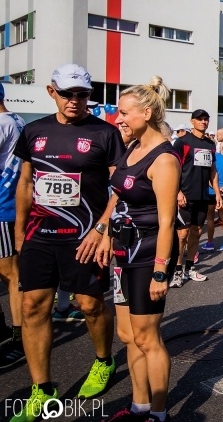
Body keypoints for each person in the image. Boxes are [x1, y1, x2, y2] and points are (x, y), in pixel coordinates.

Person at [12, 64, 125, 420]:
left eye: (82, 94)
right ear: (52, 92)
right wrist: (19, 229)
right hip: (38, 234)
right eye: (67, 93)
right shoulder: (33, 131)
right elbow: (26, 182)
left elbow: (121, 186)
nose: (75, 101)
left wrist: (103, 228)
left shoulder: (104, 133)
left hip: (85, 237)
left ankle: (103, 361)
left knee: (90, 306)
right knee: (32, 307)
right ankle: (41, 389)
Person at [95, 78, 180, 422]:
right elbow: (119, 193)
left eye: (124, 112)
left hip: (149, 253)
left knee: (147, 338)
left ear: (146, 113)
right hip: (123, 251)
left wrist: (161, 271)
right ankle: (139, 406)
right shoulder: (131, 148)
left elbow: (167, 222)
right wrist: (103, 231)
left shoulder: (164, 159)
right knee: (127, 335)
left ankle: (158, 415)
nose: (118, 118)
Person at [170, 109, 222, 288]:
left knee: (196, 232)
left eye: (206, 119)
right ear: (192, 122)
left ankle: (189, 268)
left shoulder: (210, 144)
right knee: (181, 234)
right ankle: (176, 271)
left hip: (202, 195)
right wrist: (177, 192)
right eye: (199, 119)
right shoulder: (182, 142)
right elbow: (173, 169)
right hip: (185, 195)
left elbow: (212, 171)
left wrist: (216, 191)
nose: (203, 122)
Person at [0, 83, 26, 369]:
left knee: (10, 274)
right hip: (8, 203)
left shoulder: (3, 122)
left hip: (3, 206)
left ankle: (19, 336)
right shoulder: (16, 119)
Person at [200, 146, 223, 252]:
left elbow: (207, 177)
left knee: (210, 217)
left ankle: (210, 242)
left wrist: (216, 189)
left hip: (211, 192)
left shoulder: (207, 158)